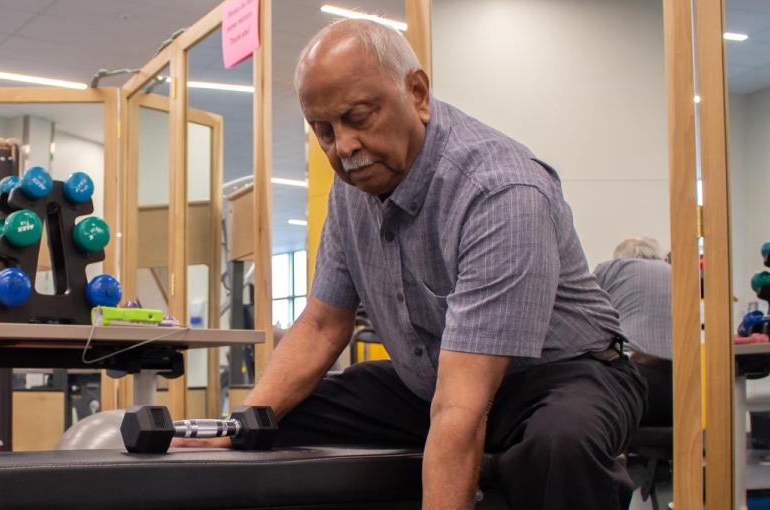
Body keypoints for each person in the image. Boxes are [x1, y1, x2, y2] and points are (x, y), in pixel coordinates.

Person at [181, 19, 645, 509]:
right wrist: (242, 422)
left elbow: (462, 405)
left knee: (559, 448)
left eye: (358, 117)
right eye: (324, 132)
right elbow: (321, 325)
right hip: (431, 382)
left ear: (417, 93)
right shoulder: (352, 188)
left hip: (563, 376)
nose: (343, 148)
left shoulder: (500, 191)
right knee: (273, 423)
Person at [594, 238, 673, 427]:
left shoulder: (610, 269)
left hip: (631, 383)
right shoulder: (676, 272)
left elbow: (587, 320)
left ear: (618, 257)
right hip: (680, 386)